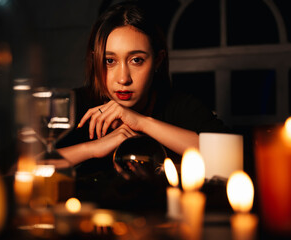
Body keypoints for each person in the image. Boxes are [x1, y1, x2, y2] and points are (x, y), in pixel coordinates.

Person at [54, 0, 229, 177]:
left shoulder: (179, 105)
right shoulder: (75, 105)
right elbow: (28, 165)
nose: (123, 78)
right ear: (95, 60)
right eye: (109, 61)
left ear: (157, 61)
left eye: (136, 60)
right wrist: (91, 149)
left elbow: (227, 156)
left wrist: (141, 122)